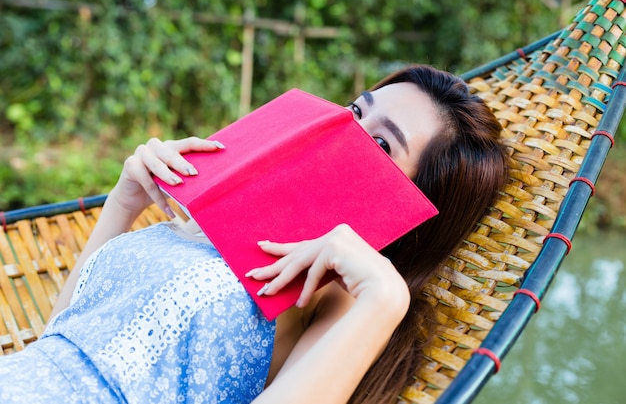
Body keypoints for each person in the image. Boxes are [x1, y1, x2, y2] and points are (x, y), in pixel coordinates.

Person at [0, 64, 508, 404]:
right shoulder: (222, 222)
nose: (347, 135)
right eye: (355, 110)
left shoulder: (342, 297)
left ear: (414, 206)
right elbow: (58, 340)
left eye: (380, 143)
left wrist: (386, 296)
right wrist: (124, 201)